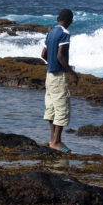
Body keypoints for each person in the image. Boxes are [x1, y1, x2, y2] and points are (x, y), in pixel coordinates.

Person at [41, 8, 79, 152]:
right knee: (61, 109)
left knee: (51, 108)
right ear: (70, 21)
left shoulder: (50, 33)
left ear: (58, 19)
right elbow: (60, 56)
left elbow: (43, 54)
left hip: (49, 76)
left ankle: (52, 140)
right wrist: (71, 72)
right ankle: (56, 142)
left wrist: (52, 63)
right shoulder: (64, 33)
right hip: (58, 77)